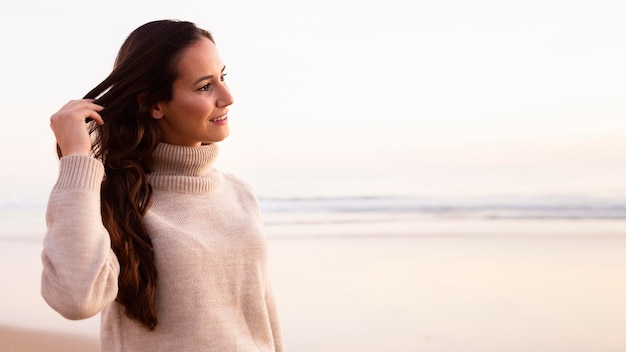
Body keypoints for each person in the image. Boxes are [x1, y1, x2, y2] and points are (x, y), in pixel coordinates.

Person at [41, 19, 284, 352]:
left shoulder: (239, 194)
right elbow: (75, 299)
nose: (227, 97)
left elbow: (262, 321)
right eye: (204, 87)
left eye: (222, 78)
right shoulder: (114, 197)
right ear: (155, 104)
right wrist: (77, 159)